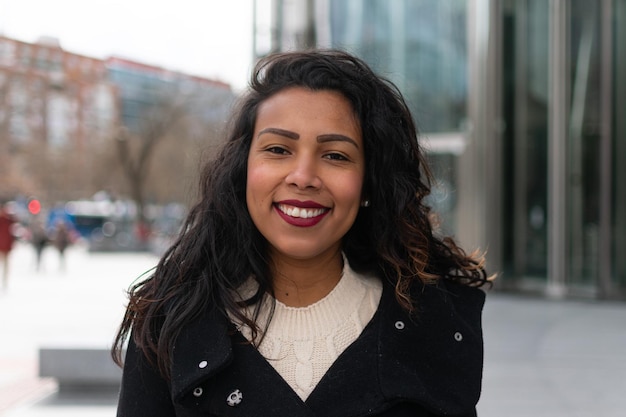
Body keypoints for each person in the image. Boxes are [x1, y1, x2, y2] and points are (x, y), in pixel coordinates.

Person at [112, 49, 492, 417]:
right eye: (278, 149)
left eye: (335, 155)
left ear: (369, 184)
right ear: (243, 168)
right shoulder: (169, 322)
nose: (303, 177)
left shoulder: (434, 326)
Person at [0, 202, 16, 291]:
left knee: (6, 266)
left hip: (6, 247)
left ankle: (4, 282)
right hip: (2, 246)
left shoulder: (8, 219)